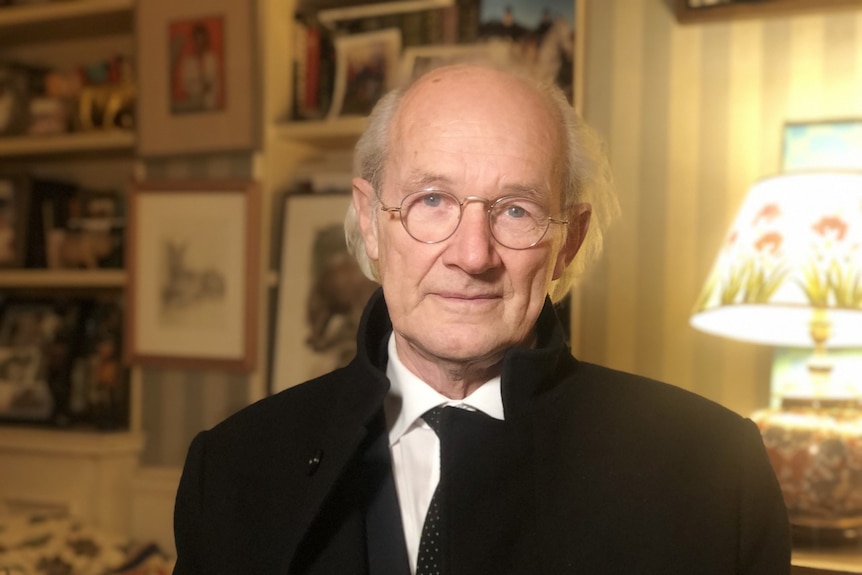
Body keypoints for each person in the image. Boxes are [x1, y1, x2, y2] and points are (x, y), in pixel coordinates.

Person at [172, 61, 791, 574]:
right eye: (432, 200)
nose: (472, 255)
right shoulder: (230, 471)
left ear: (567, 241)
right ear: (369, 220)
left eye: (515, 210)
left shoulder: (714, 474)